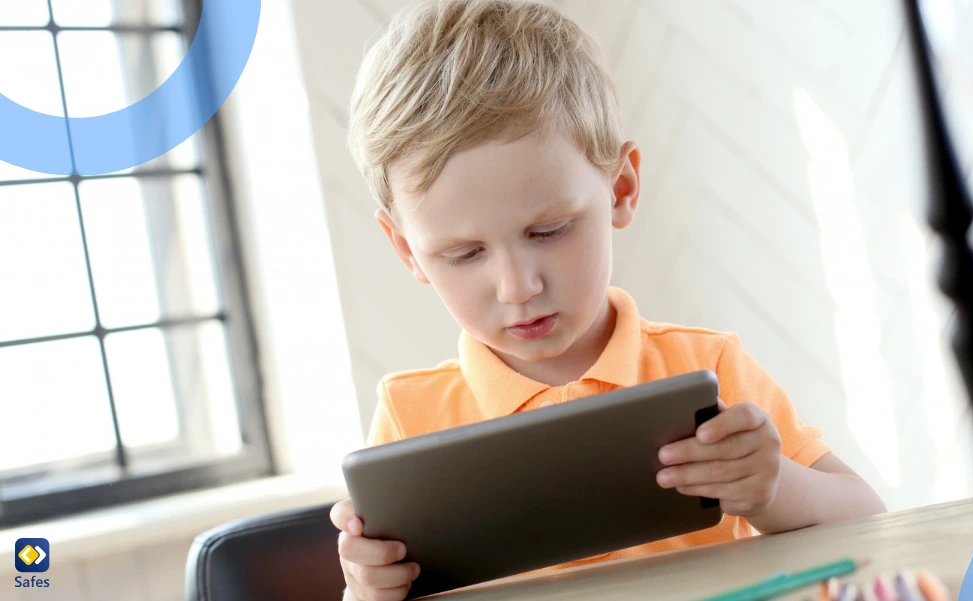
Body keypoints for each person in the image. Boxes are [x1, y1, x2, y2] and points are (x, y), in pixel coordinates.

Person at [330, 1, 886, 598]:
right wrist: (368, 588)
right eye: (464, 254)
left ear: (620, 189)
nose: (518, 287)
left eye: (548, 231)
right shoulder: (409, 418)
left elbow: (868, 517)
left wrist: (773, 487)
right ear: (407, 251)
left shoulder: (707, 368)